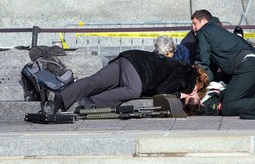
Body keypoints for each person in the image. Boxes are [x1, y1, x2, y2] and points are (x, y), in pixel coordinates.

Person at [51, 36, 209, 116]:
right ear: (197, 82)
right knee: (133, 90)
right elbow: (161, 89)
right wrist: (180, 93)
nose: (194, 91)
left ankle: (61, 98)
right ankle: (91, 102)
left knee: (95, 81)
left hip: (128, 58)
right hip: (138, 69)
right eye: (196, 88)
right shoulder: (185, 76)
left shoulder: (182, 67)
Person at [191, 9, 255, 116]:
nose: (193, 27)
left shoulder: (204, 31)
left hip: (245, 68)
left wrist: (194, 81)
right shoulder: (219, 31)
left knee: (228, 107)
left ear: (204, 21)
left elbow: (203, 59)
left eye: (194, 23)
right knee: (240, 97)